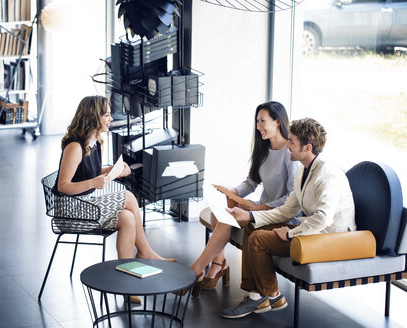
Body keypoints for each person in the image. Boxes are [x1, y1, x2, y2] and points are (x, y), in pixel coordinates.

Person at [220, 117, 356, 319]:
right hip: (313, 230)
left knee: (258, 239)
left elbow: (323, 219)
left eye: (291, 142)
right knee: (251, 227)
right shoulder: (302, 171)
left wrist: (291, 234)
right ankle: (262, 294)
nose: (287, 146)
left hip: (332, 237)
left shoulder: (328, 174)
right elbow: (286, 210)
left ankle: (267, 295)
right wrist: (249, 215)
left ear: (307, 147)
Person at [187, 101, 298, 296]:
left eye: (262, 121)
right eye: (257, 121)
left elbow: (291, 200)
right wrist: (233, 192)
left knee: (228, 216)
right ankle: (217, 263)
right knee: (222, 209)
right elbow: (251, 181)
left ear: (278, 122)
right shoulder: (264, 148)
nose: (258, 127)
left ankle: (199, 268)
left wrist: (258, 207)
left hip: (279, 214)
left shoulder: (290, 154)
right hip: (262, 207)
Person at [55, 95, 166, 262]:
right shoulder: (75, 147)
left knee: (127, 218)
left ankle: (126, 268)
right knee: (128, 196)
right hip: (70, 210)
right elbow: (63, 186)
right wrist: (93, 182)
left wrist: (114, 170)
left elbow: (89, 171)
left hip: (87, 201)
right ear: (93, 117)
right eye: (106, 115)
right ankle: (145, 251)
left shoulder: (96, 142)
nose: (111, 118)